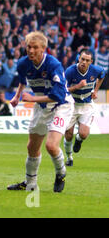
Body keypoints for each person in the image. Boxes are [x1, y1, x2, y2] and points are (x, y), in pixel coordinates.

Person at [8, 31, 74, 193]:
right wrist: (17, 96)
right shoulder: (23, 63)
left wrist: (31, 99)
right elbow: (23, 81)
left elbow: (57, 95)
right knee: (32, 147)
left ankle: (61, 173)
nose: (31, 51)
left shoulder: (53, 65)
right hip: (41, 104)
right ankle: (30, 183)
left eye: (35, 48)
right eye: (29, 47)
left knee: (51, 146)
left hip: (61, 105)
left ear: (43, 48)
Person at [63, 49, 106, 166]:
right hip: (71, 105)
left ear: (91, 61)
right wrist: (77, 86)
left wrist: (96, 91)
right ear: (78, 58)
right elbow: (62, 90)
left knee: (83, 134)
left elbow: (102, 74)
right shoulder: (70, 71)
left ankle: (79, 140)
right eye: (82, 59)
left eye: (87, 60)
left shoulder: (95, 70)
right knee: (68, 134)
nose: (84, 62)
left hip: (87, 106)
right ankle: (69, 158)